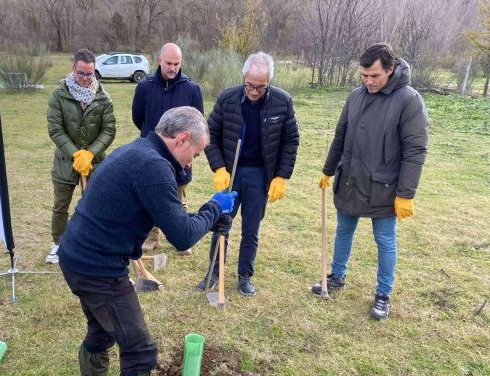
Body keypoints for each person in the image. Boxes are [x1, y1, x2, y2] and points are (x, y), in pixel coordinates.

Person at [57, 106, 236, 376]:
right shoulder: (153, 168)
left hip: (78, 254)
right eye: (193, 154)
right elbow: (182, 236)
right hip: (96, 266)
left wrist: (208, 215)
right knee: (138, 348)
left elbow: (175, 216)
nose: (190, 163)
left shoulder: (140, 150)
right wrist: (213, 208)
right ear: (182, 139)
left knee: (103, 327)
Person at [310, 43, 429, 320]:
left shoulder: (409, 100)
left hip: (385, 187)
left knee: (385, 240)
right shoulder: (355, 96)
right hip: (350, 179)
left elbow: (416, 150)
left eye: (374, 75)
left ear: (390, 69)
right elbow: (340, 135)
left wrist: (406, 194)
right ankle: (336, 277)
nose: (368, 81)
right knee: (343, 230)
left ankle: (383, 295)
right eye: (364, 75)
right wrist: (329, 170)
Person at [197, 51, 300, 297]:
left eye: (260, 87)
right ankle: (214, 271)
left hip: (259, 175)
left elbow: (291, 140)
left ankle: (245, 275)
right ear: (244, 78)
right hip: (231, 173)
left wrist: (281, 176)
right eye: (250, 86)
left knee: (251, 229)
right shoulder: (227, 98)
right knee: (222, 223)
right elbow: (209, 135)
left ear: (269, 82)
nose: (254, 92)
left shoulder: (282, 102)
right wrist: (219, 167)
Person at [132, 42, 204, 255]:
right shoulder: (145, 87)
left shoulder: (192, 89)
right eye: (169, 63)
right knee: (151, 197)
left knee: (178, 199)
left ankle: (181, 238)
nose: (173, 68)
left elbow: (198, 123)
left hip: (180, 156)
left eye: (177, 64)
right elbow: (138, 118)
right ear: (159, 61)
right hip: (152, 154)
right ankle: (150, 237)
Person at [45, 48, 116, 264]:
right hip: (66, 161)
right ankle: (58, 243)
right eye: (81, 73)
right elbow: (55, 129)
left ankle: (90, 243)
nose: (86, 78)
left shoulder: (102, 97)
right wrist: (75, 154)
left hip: (94, 162)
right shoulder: (59, 94)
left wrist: (91, 152)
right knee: (61, 205)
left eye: (90, 74)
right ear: (73, 69)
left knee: (93, 204)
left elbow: (109, 129)